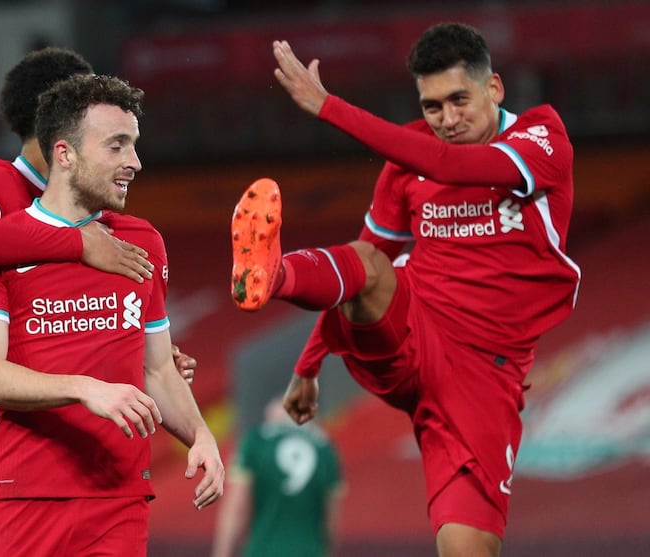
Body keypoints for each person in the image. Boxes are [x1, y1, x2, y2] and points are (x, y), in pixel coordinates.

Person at [230, 23, 581, 557]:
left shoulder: (541, 140)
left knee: (468, 547)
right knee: (370, 262)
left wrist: (329, 107)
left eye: (459, 100)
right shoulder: (408, 158)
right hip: (411, 332)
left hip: (484, 377)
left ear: (495, 88)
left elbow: (450, 166)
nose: (447, 120)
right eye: (432, 106)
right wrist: (308, 363)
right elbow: (362, 262)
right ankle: (273, 273)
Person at [0, 47, 197, 557]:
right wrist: (76, 243)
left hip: (31, 453)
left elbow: (78, 316)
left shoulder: (96, 209)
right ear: (57, 123)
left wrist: (142, 358)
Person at [0, 72, 223, 556]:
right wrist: (85, 388)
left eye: (135, 146)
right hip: (21, 498)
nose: (135, 163)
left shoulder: (144, 243)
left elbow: (157, 367)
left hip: (118, 503)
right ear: (65, 154)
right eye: (117, 146)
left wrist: (201, 437)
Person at [211, 395, 344, 557]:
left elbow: (237, 508)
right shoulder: (325, 450)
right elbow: (331, 522)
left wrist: (223, 552)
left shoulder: (256, 442)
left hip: (263, 550)